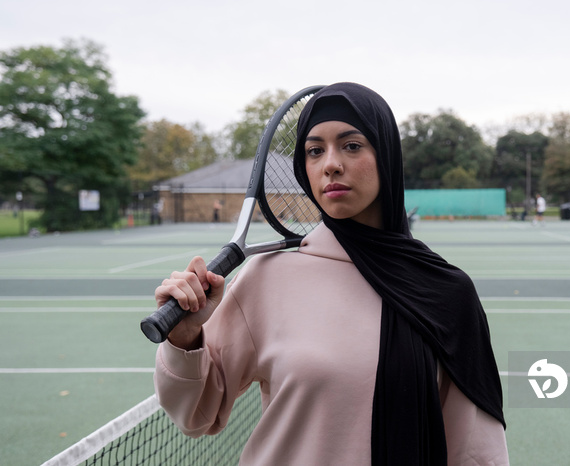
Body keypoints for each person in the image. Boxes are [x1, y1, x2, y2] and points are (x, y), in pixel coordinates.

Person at [153, 83, 509, 465]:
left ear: (386, 155)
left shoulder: (447, 293)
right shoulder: (265, 280)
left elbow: (473, 449)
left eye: (351, 145)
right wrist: (185, 338)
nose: (331, 164)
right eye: (314, 151)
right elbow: (197, 416)